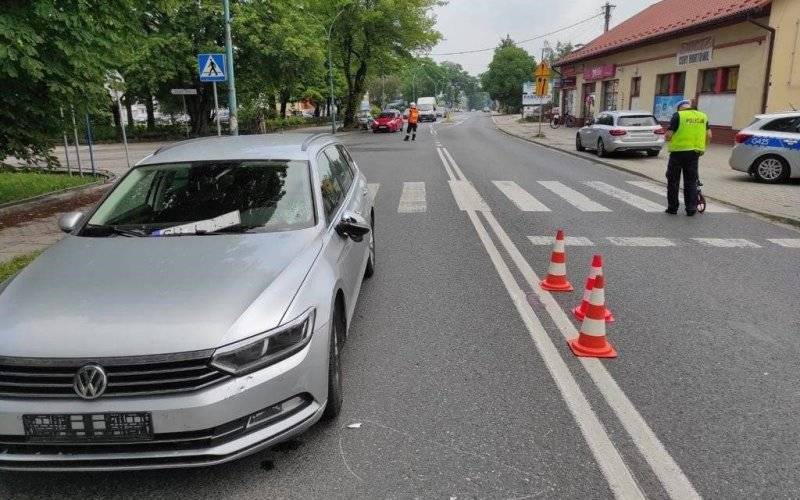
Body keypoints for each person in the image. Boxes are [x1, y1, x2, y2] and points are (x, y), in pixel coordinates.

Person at [664, 99, 711, 216]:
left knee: (673, 181)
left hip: (678, 153)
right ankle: (691, 209)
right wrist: (703, 148)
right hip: (695, 153)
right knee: (691, 181)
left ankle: (672, 208)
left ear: (680, 108)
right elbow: (709, 135)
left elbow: (669, 135)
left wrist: (668, 139)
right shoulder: (703, 116)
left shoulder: (678, 115)